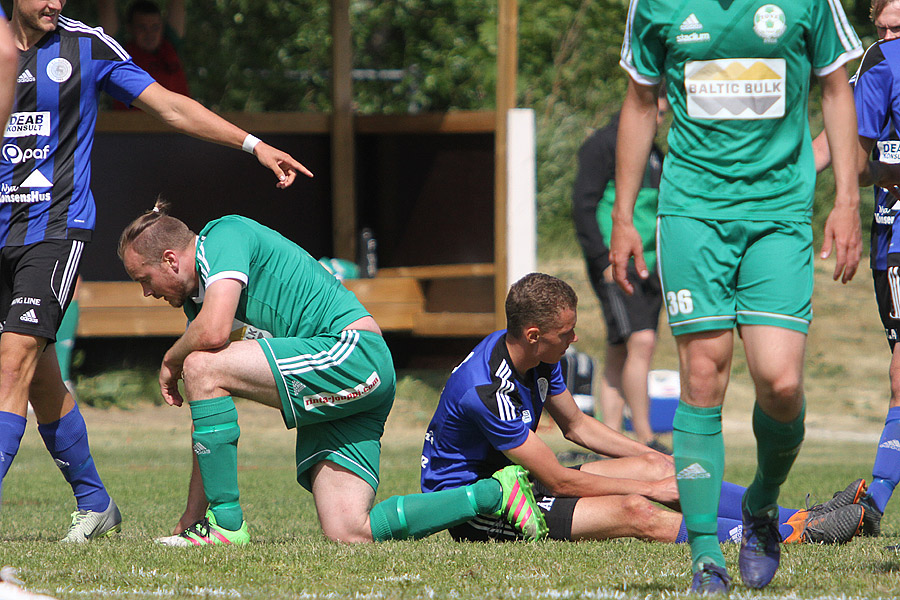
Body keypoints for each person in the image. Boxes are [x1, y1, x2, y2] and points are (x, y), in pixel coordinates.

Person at [0, 0, 312, 543]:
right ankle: (95, 503)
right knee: (38, 373)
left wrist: (253, 144)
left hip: (54, 228)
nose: (56, 2)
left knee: (14, 358)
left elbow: (169, 106)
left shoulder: (87, 46)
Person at [117, 202, 548, 546]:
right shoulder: (201, 302)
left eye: (145, 278)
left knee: (199, 364)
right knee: (349, 531)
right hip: (344, 380)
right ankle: (495, 492)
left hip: (352, 354)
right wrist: (190, 516)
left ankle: (227, 526)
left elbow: (209, 339)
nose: (146, 292)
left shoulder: (222, 236)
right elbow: (206, 416)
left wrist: (172, 360)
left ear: (171, 259)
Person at [613, 1, 863, 592]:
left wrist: (847, 200)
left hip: (778, 213)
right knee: (703, 376)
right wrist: (624, 214)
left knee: (780, 382)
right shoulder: (655, 5)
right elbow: (640, 102)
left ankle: (761, 506)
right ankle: (705, 552)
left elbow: (835, 89)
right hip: (692, 212)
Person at [420, 273, 865, 548]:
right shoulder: (484, 389)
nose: (574, 341)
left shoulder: (534, 354)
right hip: (481, 506)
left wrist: (651, 463)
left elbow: (575, 425)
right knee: (638, 509)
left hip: (519, 476)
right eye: (566, 333)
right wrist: (651, 486)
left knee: (662, 465)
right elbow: (557, 478)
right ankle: (787, 536)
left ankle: (801, 517)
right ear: (534, 333)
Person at [812, 0, 900, 539]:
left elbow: (843, 152)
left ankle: (873, 503)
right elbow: (857, 158)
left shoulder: (881, 62)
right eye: (884, 27)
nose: (890, 36)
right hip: (891, 235)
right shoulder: (880, 66)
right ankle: (873, 499)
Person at [572, 93, 668, 453]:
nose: (659, 120)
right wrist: (603, 261)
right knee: (641, 342)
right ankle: (646, 438)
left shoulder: (655, 152)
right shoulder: (602, 145)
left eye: (664, 114)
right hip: (617, 264)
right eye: (655, 112)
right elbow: (583, 205)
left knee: (619, 348)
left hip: (651, 266)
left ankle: (608, 439)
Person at [98, 0, 191, 105]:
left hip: (175, 119)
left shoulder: (170, 46)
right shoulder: (120, 54)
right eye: (142, 27)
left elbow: (177, 4)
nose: (149, 34)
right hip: (129, 120)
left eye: (155, 27)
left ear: (162, 28)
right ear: (130, 28)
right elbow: (106, 5)